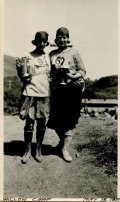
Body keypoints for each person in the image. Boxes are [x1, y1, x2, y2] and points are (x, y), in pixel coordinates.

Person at [47, 27, 86, 162]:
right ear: (56, 40)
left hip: (72, 90)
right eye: (60, 37)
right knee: (56, 120)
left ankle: (64, 149)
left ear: (68, 39)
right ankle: (62, 143)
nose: (62, 40)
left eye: (65, 37)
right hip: (57, 90)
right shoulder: (51, 54)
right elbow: (51, 72)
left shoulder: (74, 52)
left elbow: (82, 71)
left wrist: (72, 75)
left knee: (69, 121)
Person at [16, 31, 50, 164]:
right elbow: (23, 75)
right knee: (29, 123)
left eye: (44, 41)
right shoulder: (27, 56)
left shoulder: (49, 57)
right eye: (39, 41)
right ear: (35, 42)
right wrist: (20, 70)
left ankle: (38, 150)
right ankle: (27, 150)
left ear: (47, 43)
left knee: (42, 124)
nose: (41, 44)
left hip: (44, 92)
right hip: (29, 92)